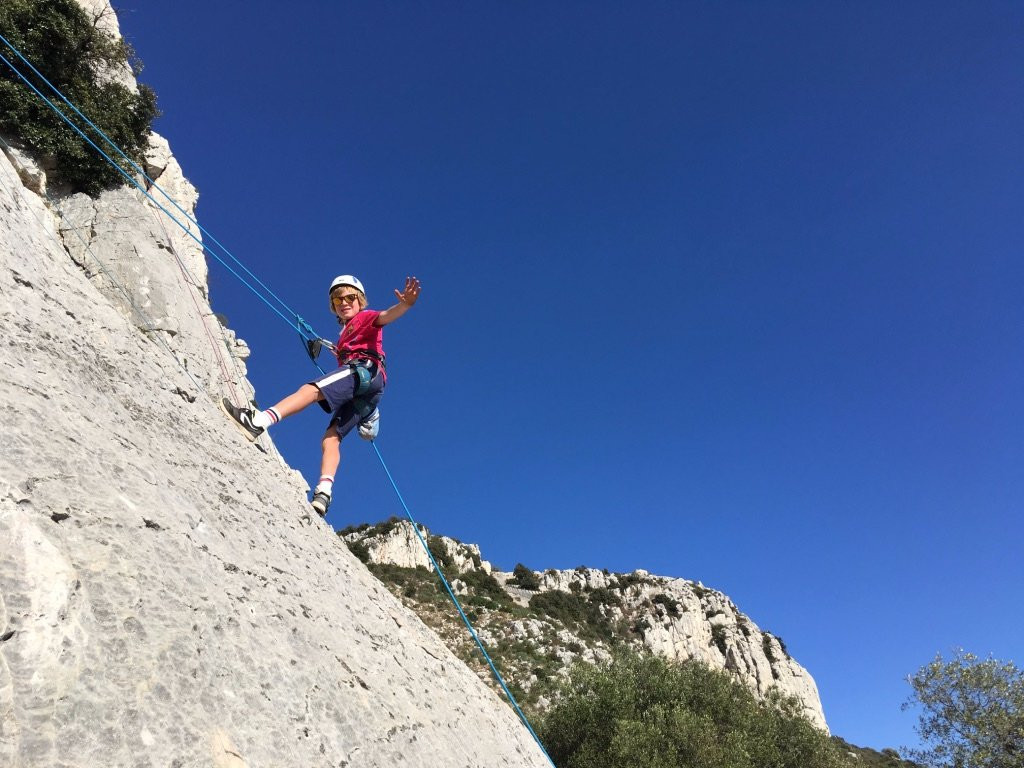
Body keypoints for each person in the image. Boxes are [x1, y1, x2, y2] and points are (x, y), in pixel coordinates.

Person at [221, 274, 421, 516]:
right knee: (331, 438)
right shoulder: (344, 335)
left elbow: (385, 317)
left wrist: (405, 305)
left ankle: (258, 421)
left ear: (360, 300)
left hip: (365, 370)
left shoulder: (365, 317)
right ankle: (323, 493)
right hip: (368, 386)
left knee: (312, 390)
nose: (344, 302)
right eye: (338, 299)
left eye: (350, 297)